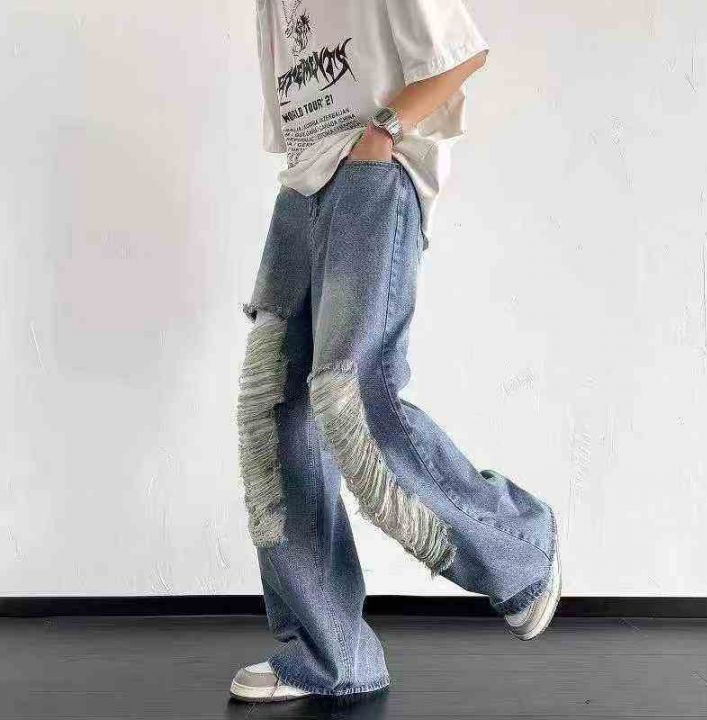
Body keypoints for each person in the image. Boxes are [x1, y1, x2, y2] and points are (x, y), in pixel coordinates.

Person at [231, 0, 560, 702]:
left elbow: (461, 54)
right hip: (303, 190)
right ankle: (331, 654)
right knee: (273, 412)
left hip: (373, 177)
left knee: (353, 396)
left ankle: (520, 550)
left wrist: (383, 132)